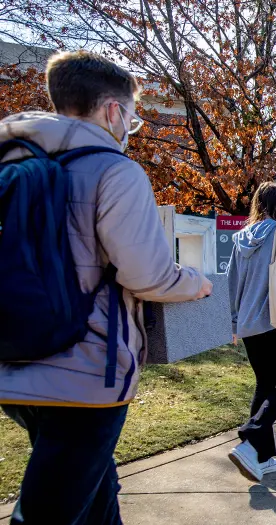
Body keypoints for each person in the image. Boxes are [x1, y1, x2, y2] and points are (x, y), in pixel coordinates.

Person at [0, 51, 212, 524]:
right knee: (49, 511)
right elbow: (149, 274)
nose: (129, 130)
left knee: (96, 495)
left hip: (13, 363)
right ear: (113, 111)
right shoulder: (114, 171)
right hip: (87, 371)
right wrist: (196, 284)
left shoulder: (12, 161)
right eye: (132, 120)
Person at [226, 181, 276, 482]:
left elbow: (231, 284)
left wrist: (235, 324)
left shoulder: (239, 238)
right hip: (275, 321)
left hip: (248, 324)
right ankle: (251, 437)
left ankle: (265, 456)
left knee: (264, 384)